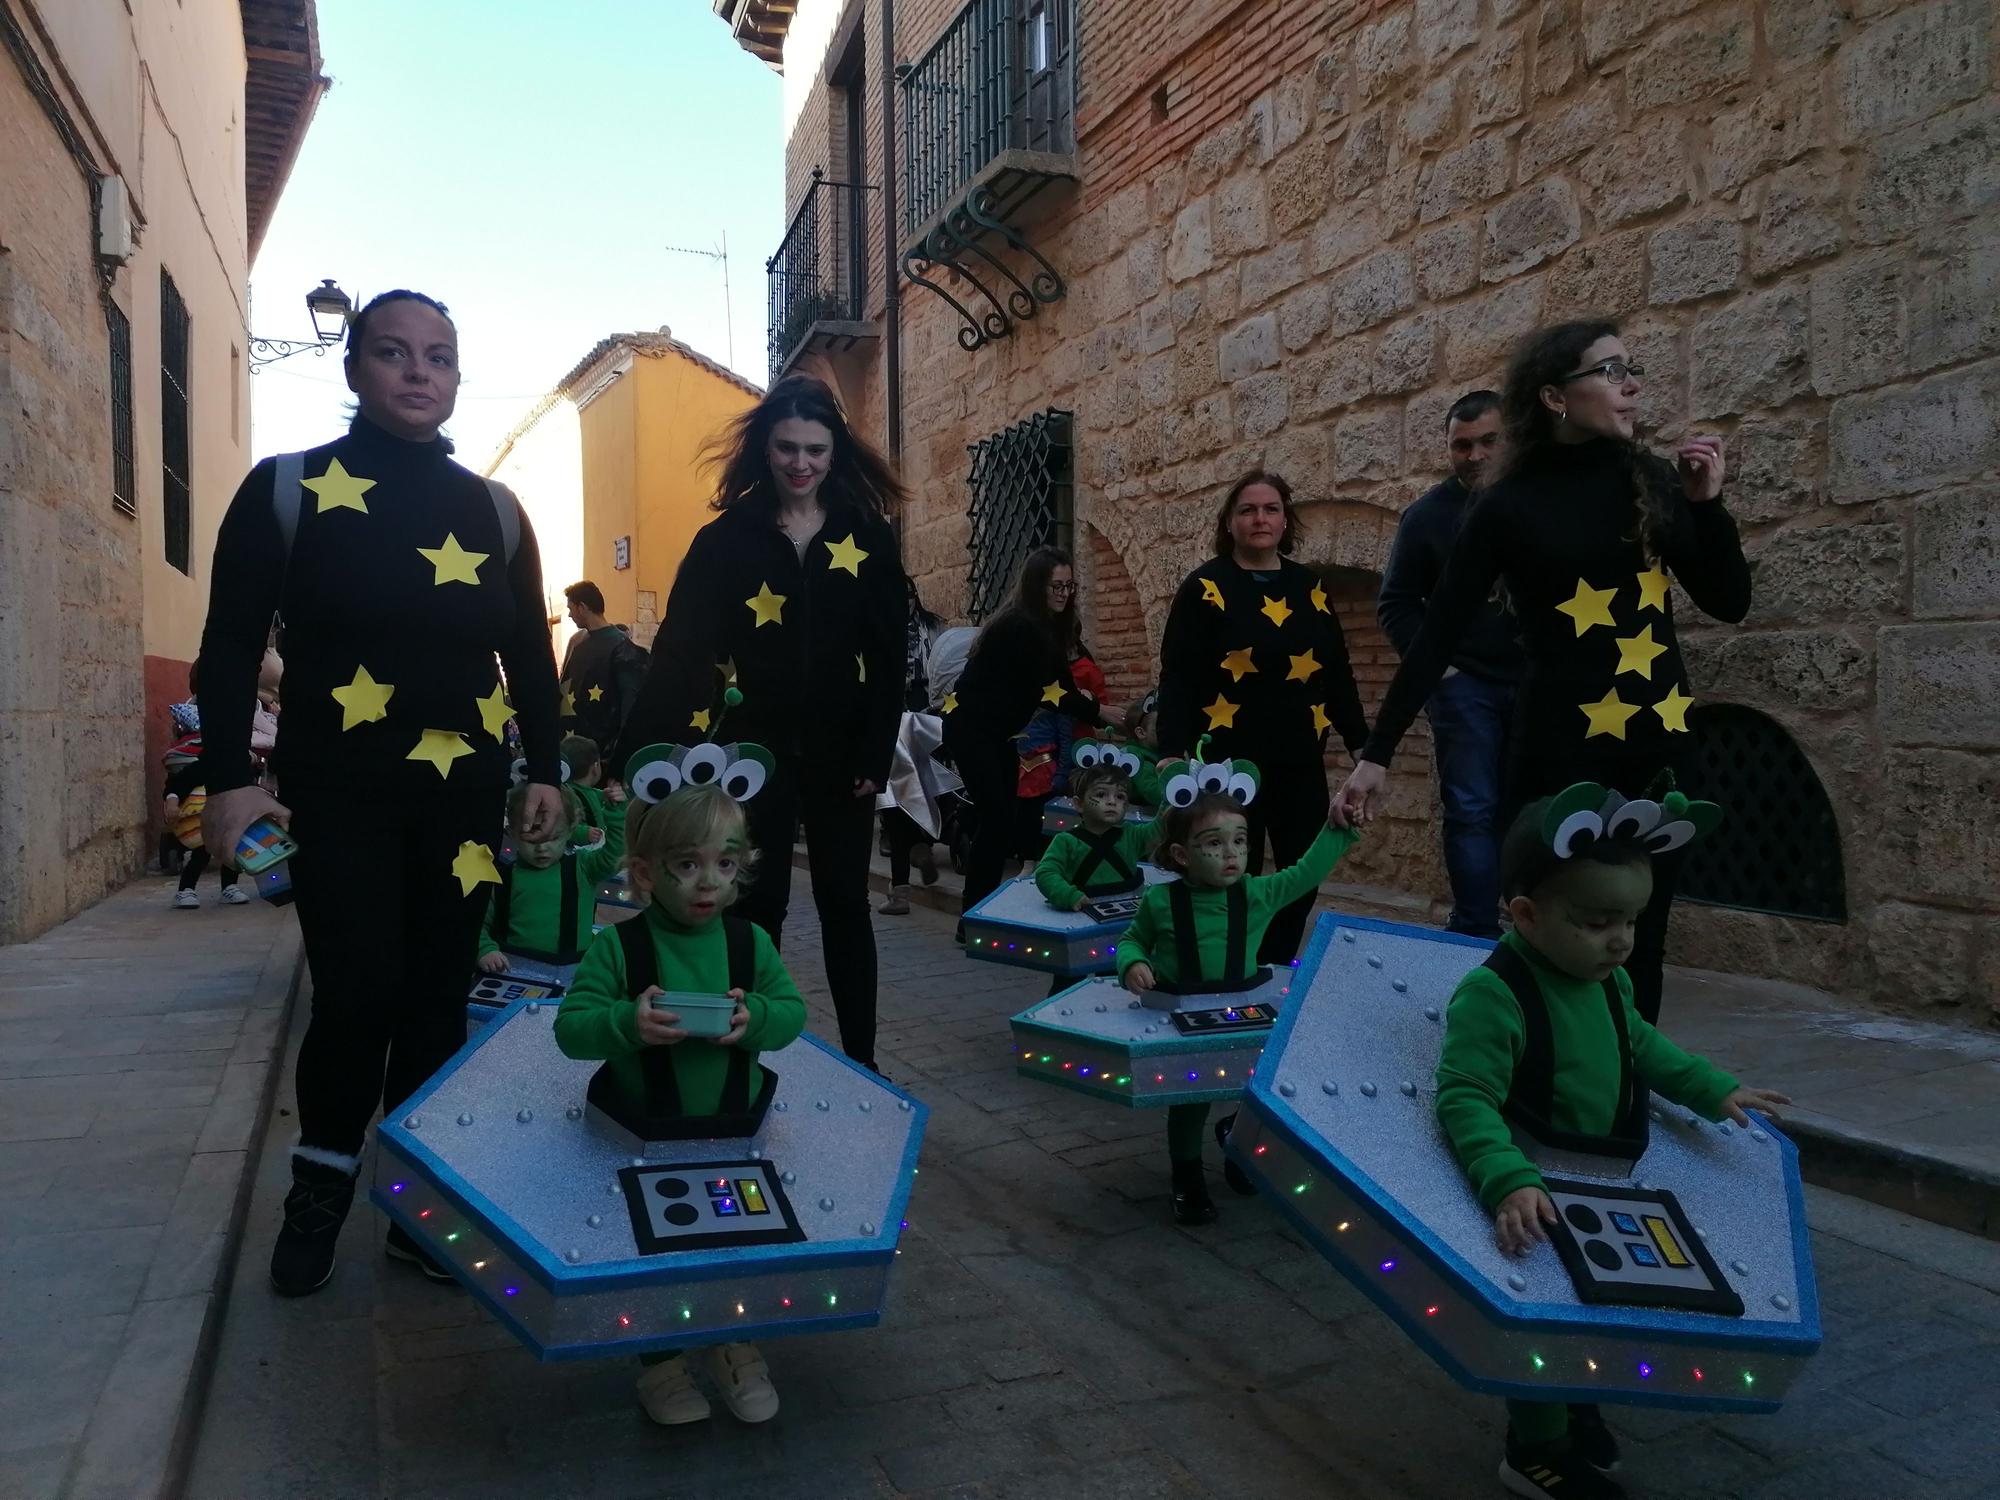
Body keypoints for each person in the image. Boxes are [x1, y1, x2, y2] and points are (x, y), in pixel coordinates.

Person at [195, 289, 564, 1298]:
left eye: (439, 357)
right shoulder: (287, 489)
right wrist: (229, 782)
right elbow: (228, 646)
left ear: (454, 377)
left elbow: (528, 653)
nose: (419, 373)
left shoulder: (492, 510)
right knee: (355, 995)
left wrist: (546, 771)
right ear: (355, 368)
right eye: (395, 353)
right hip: (341, 796)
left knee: (440, 998)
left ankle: (418, 1214)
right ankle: (317, 1191)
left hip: (464, 800)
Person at [1336, 320, 1752, 1023]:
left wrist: (1707, 505)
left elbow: (1728, 599)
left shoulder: (1648, 478)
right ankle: (1538, 1076)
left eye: (1631, 367)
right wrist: (1376, 754)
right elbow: (1436, 633)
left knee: (1638, 943)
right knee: (1556, 937)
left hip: (1659, 750)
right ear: (1556, 396)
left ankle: (1619, 1096)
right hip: (1561, 756)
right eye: (1610, 370)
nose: (1632, 384)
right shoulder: (1506, 504)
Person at [1434, 786, 1790, 1499]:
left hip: (1600, 1178)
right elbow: (1465, 1096)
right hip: (1534, 1179)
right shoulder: (1495, 995)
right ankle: (1534, 1449)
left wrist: (1712, 1089)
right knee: (1543, 1315)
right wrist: (1508, 1180)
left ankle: (1576, 1398)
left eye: (1631, 919)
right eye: (1598, 922)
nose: (1621, 940)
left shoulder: (1609, 982)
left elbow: (1643, 1047)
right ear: (1527, 915)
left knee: (1593, 1303)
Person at [615, 375, 905, 1071]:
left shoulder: (866, 535)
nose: (800, 464)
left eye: (814, 449)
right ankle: (740, 1055)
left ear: (835, 453)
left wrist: (876, 747)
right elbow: (683, 652)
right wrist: (637, 752)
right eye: (786, 449)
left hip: (842, 751)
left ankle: (863, 1060)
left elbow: (892, 655)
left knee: (845, 907)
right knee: (756, 907)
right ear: (764, 450)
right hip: (755, 753)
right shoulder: (728, 539)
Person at [552, 781, 806, 1427]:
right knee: (654, 1250)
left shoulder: (750, 943)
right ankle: (658, 1359)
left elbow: (792, 1014)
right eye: (687, 864)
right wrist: (626, 1023)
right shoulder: (619, 947)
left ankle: (733, 1344)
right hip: (644, 1136)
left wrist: (757, 1019)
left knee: (735, 1242)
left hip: (734, 1132)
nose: (707, 884)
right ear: (643, 873)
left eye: (725, 864)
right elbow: (571, 1029)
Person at [1116, 776, 1359, 1225]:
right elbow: (1133, 940)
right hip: (1182, 1013)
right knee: (1189, 1098)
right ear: (1182, 855)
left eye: (1240, 841)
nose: (1231, 853)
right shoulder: (1159, 901)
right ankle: (1187, 1177)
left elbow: (1306, 871)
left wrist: (1338, 828)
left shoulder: (1257, 893)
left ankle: (1240, 1144)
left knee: (1256, 1087)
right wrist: (1130, 964)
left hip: (1244, 1011)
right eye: (1214, 843)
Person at [1156, 472, 1369, 966]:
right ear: (1230, 522)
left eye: (1271, 509)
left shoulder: (1310, 585)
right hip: (1229, 767)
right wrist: (1170, 750)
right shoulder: (1205, 587)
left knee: (1303, 873)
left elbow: (1336, 671)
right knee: (1228, 873)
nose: (1260, 519)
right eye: (1248, 510)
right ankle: (1227, 966)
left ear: (1285, 518)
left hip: (1299, 759)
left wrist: (1363, 743)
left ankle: (1270, 965)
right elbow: (1179, 675)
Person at [1378, 390, 1522, 938]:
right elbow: (1395, 604)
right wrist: (1442, 671)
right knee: (1471, 811)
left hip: (1539, 683)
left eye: (1489, 440)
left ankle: (1539, 934)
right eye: (1462, 445)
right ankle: (1474, 934)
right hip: (1467, 689)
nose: (1475, 455)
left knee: (1536, 808)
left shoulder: (1536, 500)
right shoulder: (1427, 516)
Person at [943, 547, 1109, 924]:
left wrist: (1100, 714)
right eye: (1056, 586)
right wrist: (1100, 712)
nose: (1064, 593)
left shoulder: (1045, 628)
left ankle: (978, 911)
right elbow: (1049, 692)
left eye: (1069, 586)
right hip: (972, 731)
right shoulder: (1021, 626)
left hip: (1000, 734)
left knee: (1001, 820)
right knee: (998, 818)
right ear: (1037, 586)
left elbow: (1061, 686)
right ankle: (973, 916)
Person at [475, 783, 625, 973]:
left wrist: (616, 813)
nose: (542, 848)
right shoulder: (499, 879)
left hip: (574, 972)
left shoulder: (584, 868)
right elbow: (477, 923)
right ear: (512, 832)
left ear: (571, 830)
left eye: (553, 838)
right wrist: (485, 950)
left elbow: (615, 856)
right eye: (531, 839)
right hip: (513, 970)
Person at [881, 577, 943, 916]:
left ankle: (901, 888)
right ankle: (920, 845)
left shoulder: (888, 627)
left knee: (896, 800)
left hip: (910, 720)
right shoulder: (927, 626)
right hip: (917, 721)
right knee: (916, 793)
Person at [558, 581, 649, 753]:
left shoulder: (622, 647)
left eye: (571, 609)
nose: (569, 615)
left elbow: (630, 704)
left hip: (604, 751)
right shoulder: (577, 644)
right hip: (576, 745)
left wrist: (619, 748)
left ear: (582, 607)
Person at [561, 732, 627, 848]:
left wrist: (608, 797)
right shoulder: (567, 795)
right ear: (595, 767)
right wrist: (584, 833)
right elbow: (562, 826)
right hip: (581, 855)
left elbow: (595, 796)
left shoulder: (590, 793)